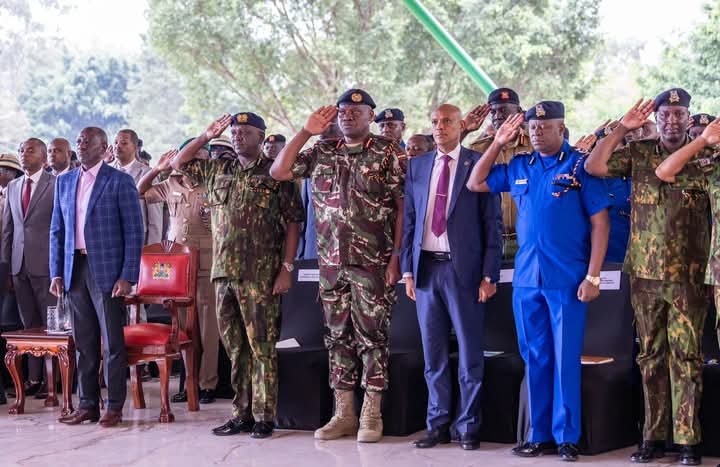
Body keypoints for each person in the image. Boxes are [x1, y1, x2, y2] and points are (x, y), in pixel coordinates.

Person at [467, 101, 610, 462]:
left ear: (562, 128)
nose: (537, 132)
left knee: (564, 358)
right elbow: (475, 181)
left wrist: (593, 275)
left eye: (545, 127)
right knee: (535, 357)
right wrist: (497, 142)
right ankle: (539, 434)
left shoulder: (579, 166)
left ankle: (567, 437)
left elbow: (600, 224)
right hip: (527, 278)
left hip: (567, 278)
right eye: (532, 127)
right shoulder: (519, 166)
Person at [270, 89, 405, 443]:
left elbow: (403, 208)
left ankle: (371, 413)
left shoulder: (388, 152)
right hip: (330, 264)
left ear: (371, 116)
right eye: (343, 111)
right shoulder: (322, 151)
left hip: (373, 264)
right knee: (336, 337)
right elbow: (279, 170)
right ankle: (343, 413)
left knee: (373, 337)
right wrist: (305, 131)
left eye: (356, 111)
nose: (347, 116)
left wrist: (396, 258)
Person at [584, 89, 710, 466]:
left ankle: (688, 440)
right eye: (665, 114)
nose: (672, 120)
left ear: (689, 117)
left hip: (688, 275)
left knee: (687, 357)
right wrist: (623, 128)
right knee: (650, 356)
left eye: (679, 113)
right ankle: (652, 437)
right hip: (644, 275)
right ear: (656, 118)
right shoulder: (639, 152)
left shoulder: (705, 154)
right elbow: (594, 166)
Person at [171, 112, 303, 439]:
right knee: (235, 349)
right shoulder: (218, 168)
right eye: (234, 132)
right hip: (223, 273)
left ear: (261, 137)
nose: (237, 136)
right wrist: (205, 136)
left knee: (261, 347)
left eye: (245, 131)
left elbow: (293, 223)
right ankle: (240, 413)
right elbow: (178, 163)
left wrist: (287, 268)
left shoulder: (275, 172)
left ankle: (264, 416)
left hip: (261, 274)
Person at [402, 104, 502, 451]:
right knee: (434, 355)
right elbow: (410, 221)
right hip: (426, 270)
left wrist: (490, 275)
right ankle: (437, 424)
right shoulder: (417, 166)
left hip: (465, 273)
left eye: (446, 121)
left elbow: (492, 225)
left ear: (462, 126)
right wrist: (407, 270)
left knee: (470, 354)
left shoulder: (478, 163)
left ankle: (468, 427)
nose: (439, 127)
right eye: (434, 122)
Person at [50, 126, 144, 427]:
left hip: (107, 271)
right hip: (74, 269)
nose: (81, 144)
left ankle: (114, 406)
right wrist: (56, 272)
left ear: (104, 148)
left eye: (87, 141)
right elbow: (57, 231)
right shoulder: (64, 181)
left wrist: (128, 276)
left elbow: (134, 232)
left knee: (112, 343)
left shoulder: (119, 181)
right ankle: (87, 404)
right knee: (84, 342)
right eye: (79, 140)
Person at [137, 144, 220, 405]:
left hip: (207, 262)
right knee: (183, 327)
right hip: (178, 265)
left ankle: (208, 384)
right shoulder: (171, 183)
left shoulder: (213, 183)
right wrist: (156, 169)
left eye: (202, 159)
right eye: (192, 158)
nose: (196, 164)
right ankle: (188, 383)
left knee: (208, 328)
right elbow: (140, 191)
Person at [1, 138, 56, 398]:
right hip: (18, 265)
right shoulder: (13, 186)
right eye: (22, 150)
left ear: (43, 157)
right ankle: (34, 378)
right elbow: (8, 229)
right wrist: (7, 266)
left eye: (30, 150)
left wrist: (59, 267)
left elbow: (60, 228)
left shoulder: (55, 184)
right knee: (28, 324)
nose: (24, 154)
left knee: (50, 325)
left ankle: (51, 380)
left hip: (46, 265)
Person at [466, 88, 532, 261]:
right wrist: (465, 129)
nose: (497, 116)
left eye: (503, 110)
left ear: (519, 112)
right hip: (490, 240)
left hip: (528, 237)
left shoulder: (535, 145)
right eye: (493, 112)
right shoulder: (479, 148)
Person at [296, 122, 342, 260]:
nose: (324, 128)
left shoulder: (363, 157)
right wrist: (300, 254)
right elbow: (304, 210)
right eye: (322, 124)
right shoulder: (312, 158)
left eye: (331, 124)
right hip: (315, 247)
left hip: (351, 250)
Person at [110, 129, 163, 246]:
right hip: (109, 240)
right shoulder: (105, 172)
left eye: (124, 143)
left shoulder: (147, 174)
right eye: (115, 142)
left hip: (137, 241)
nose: (117, 146)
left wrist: (152, 248)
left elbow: (155, 218)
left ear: (135, 147)